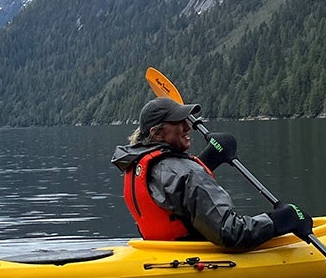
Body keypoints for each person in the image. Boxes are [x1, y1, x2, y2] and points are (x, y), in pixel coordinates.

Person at [111, 97, 312, 251]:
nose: (187, 126)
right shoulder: (186, 172)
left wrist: (210, 158)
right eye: (178, 121)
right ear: (157, 133)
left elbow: (176, 187)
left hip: (160, 253)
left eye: (186, 120)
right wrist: (280, 220)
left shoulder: (137, 163)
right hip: (198, 258)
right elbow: (229, 232)